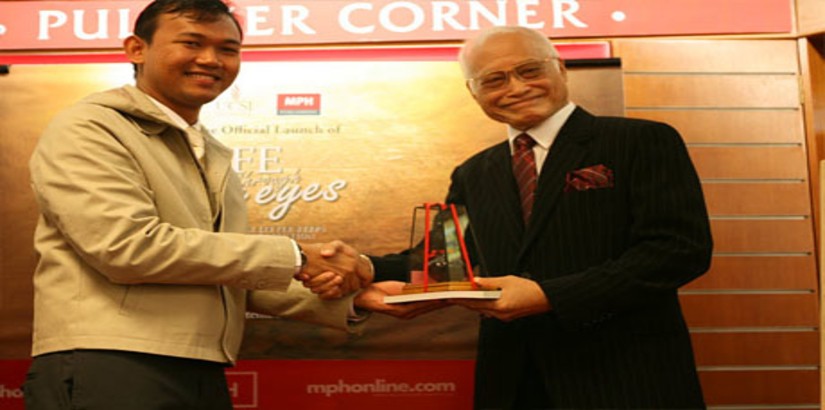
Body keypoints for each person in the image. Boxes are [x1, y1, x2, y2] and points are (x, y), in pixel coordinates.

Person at [23, 1, 371, 409]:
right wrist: (296, 257)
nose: (210, 60)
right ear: (137, 49)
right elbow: (128, 248)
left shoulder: (208, 149)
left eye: (228, 48)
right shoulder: (90, 127)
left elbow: (226, 274)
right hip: (109, 362)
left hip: (198, 365)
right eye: (192, 42)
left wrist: (357, 299)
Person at [354, 26, 713, 409]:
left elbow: (679, 251)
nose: (516, 87)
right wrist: (361, 267)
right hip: (512, 382)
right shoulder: (473, 173)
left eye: (529, 70)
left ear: (560, 69)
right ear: (473, 92)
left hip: (627, 377)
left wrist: (549, 296)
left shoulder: (641, 141)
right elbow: (442, 262)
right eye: (494, 79)